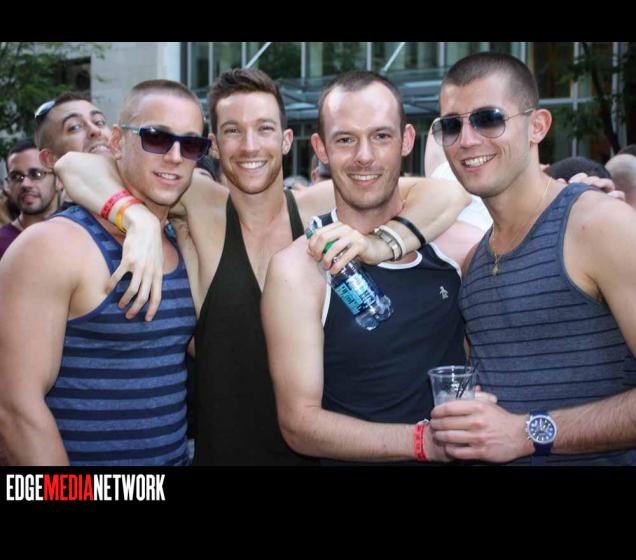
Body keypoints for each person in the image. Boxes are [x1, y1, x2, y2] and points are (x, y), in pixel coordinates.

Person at [55, 68, 470, 466]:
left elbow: (447, 195)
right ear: (214, 145)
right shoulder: (199, 205)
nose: (250, 146)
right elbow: (74, 164)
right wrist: (134, 216)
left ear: (288, 140)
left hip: (320, 451)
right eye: (233, 131)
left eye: (265, 128)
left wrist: (380, 245)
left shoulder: (319, 204)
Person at [261, 70, 483, 465]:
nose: (364, 155)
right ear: (321, 148)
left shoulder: (457, 247)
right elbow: (299, 424)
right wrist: (423, 443)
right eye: (345, 139)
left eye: (381, 136)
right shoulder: (297, 270)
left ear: (406, 140)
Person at [428, 51, 636, 465]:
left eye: (488, 119)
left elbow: (516, 432)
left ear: (537, 126)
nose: (467, 140)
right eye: (451, 125)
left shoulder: (599, 224)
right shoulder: (474, 263)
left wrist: (529, 432)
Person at [0, 79, 206, 465]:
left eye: (191, 144)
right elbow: (14, 408)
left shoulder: (183, 238)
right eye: (156, 138)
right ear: (116, 141)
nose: (176, 156)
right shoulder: (52, 245)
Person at [34, 92, 112, 209]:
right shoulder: (63, 221)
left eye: (99, 122)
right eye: (75, 127)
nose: (95, 130)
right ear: (50, 159)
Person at [0, 138, 62, 259]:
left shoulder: (81, 232)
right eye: (16, 177)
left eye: (36, 174)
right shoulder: (3, 244)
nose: (25, 184)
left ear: (58, 181)